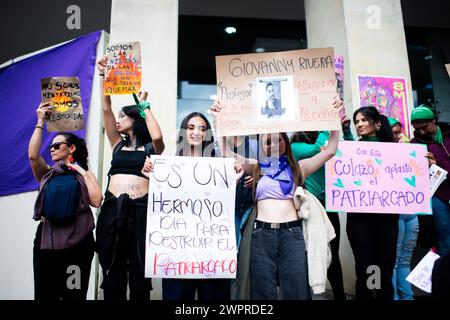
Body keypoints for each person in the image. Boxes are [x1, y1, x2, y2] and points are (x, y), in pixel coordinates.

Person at [212, 95, 343, 300]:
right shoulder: (257, 167)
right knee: (262, 293)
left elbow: (331, 150)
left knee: (297, 292)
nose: (274, 143)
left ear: (285, 142)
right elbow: (227, 153)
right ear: (263, 145)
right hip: (261, 235)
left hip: (292, 235)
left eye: (279, 139)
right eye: (268, 141)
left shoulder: (298, 168)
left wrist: (333, 118)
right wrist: (219, 121)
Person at [142, 112, 244, 300]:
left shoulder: (220, 166)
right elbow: (164, 200)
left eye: (202, 128)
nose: (196, 132)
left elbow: (222, 202)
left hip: (212, 253)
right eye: (191, 127)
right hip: (177, 253)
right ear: (183, 131)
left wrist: (235, 179)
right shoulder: (168, 166)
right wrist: (152, 176)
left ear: (208, 134)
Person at [95, 56, 165, 301]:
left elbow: (158, 137)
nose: (118, 119)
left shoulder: (149, 149)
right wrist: (103, 74)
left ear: (135, 120)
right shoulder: (116, 145)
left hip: (140, 212)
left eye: (124, 116)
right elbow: (106, 108)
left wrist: (144, 107)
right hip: (113, 209)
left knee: (139, 271)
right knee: (113, 269)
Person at [29, 102, 103, 300]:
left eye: (56, 145)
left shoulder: (84, 175)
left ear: (71, 149)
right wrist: (40, 121)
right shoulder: (47, 174)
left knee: (74, 295)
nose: (52, 149)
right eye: (51, 146)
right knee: (45, 295)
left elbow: (97, 200)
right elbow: (33, 156)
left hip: (78, 247)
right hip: (47, 246)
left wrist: (80, 170)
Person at [341, 106, 398, 300]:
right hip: (360, 221)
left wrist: (428, 164)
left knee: (384, 269)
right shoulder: (352, 149)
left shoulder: (396, 152)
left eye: (364, 120)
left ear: (378, 123)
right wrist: (344, 132)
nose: (360, 124)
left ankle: (382, 296)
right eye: (357, 121)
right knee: (365, 268)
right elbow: (347, 150)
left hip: (387, 220)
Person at [290, 130, 346, 300]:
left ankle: (339, 296)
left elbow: (338, 149)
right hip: (311, 207)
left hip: (329, 207)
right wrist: (325, 126)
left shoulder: (326, 141)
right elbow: (317, 150)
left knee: (332, 256)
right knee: (309, 253)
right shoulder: (295, 146)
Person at [410, 105, 450, 257]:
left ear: (434, 120)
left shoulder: (448, 137)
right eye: (417, 128)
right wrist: (430, 167)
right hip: (437, 195)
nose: (421, 132)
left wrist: (437, 165)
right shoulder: (415, 145)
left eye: (425, 127)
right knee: (445, 240)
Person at [387, 118, 419, 300]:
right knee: (398, 262)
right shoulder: (378, 150)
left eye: (399, 132)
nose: (398, 136)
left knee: (400, 262)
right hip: (400, 214)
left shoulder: (409, 150)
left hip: (408, 214)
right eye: (395, 132)